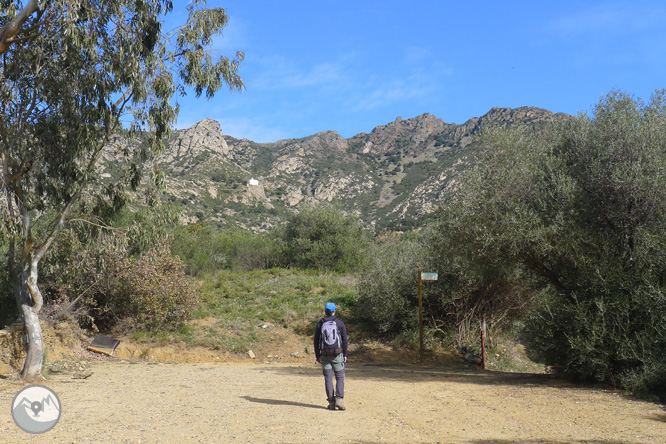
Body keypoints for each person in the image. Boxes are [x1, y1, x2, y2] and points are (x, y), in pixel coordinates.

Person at [314, 302, 348, 410]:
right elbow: (345, 340)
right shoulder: (339, 323)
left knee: (328, 377)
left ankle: (331, 402)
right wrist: (345, 354)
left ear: (325, 311)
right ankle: (339, 399)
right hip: (337, 353)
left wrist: (317, 355)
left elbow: (316, 341)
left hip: (324, 355)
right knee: (340, 376)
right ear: (334, 311)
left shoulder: (320, 323)